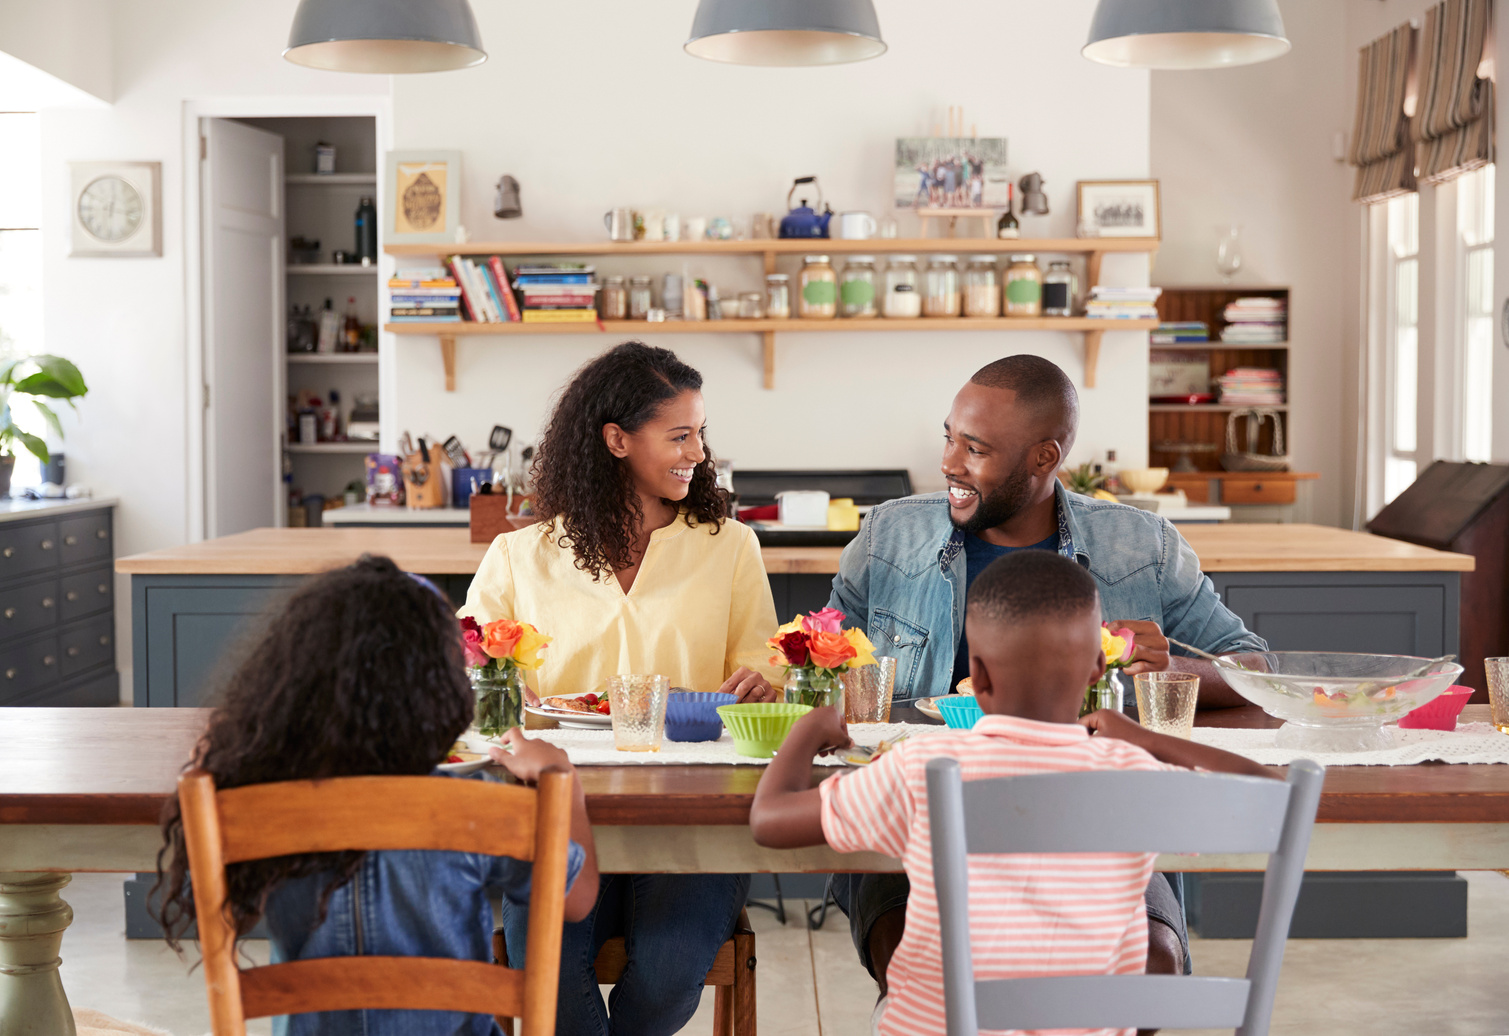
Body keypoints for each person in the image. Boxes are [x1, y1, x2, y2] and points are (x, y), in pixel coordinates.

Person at [824, 353, 1269, 997]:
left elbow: (1255, 665)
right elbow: (817, 655)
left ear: (1043, 457)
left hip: (1098, 817)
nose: (949, 462)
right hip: (919, 818)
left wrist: (1174, 667)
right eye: (948, 437)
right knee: (918, 963)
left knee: (1152, 964)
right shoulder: (890, 534)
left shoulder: (1141, 545)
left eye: (973, 448)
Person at [750, 550, 1276, 1036]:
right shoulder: (1130, 770)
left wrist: (810, 728)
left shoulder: (922, 768)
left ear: (976, 677)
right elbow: (1272, 793)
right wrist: (1145, 737)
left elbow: (770, 822)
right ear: (1098, 668)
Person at [459, 341, 781, 1036]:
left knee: (666, 981)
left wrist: (765, 679)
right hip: (557, 816)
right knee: (547, 985)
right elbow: (479, 682)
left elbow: (765, 664)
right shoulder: (519, 556)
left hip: (690, 818)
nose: (698, 451)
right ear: (615, 439)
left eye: (699, 433)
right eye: (678, 435)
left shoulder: (729, 547)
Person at [155, 555, 600, 1036]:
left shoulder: (258, 806)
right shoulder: (480, 807)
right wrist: (564, 784)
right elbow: (576, 901)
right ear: (438, 692)